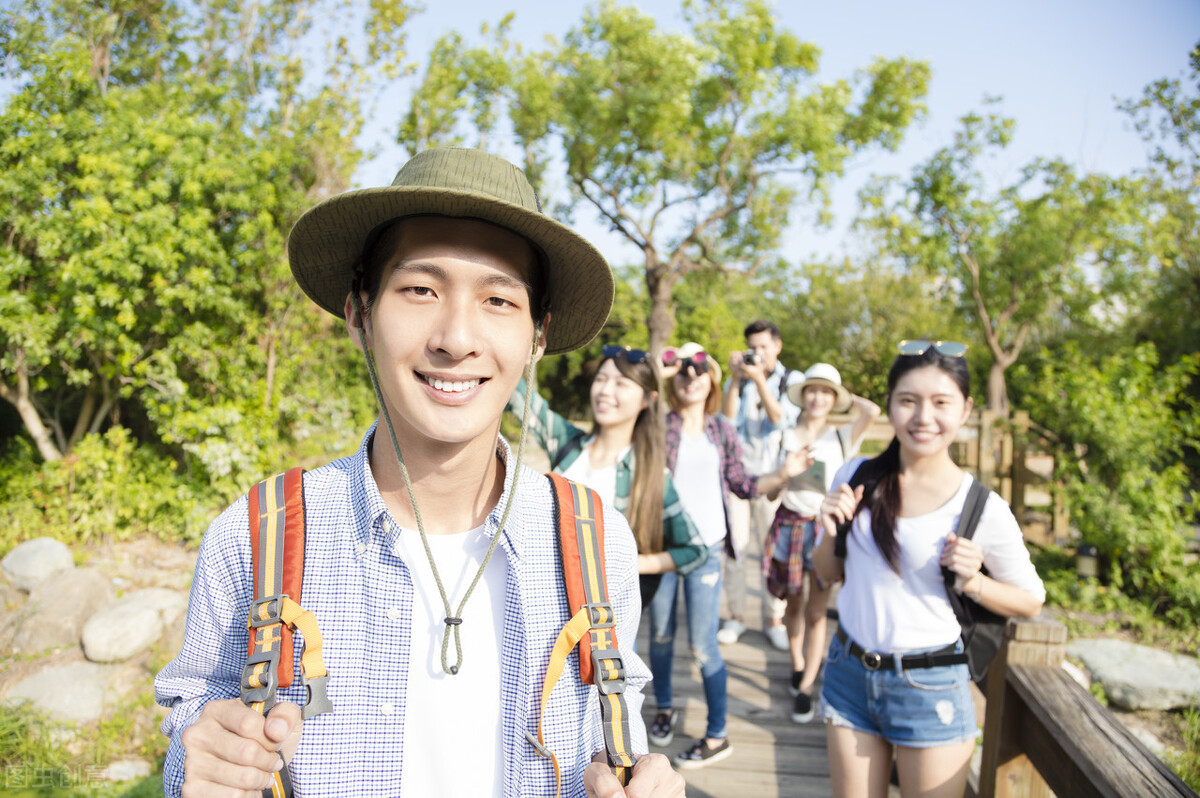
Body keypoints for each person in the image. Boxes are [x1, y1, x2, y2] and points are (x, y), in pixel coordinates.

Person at [154, 148, 684, 797]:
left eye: (498, 299)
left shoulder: (597, 540)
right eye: (419, 290)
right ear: (359, 314)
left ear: (538, 337)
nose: (456, 337)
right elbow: (195, 710)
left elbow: (614, 722)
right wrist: (198, 763)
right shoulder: (258, 534)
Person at [812, 340, 1045, 798]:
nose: (923, 417)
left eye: (941, 402)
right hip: (849, 671)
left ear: (965, 409)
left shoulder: (980, 507)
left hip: (931, 684)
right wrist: (828, 527)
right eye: (907, 401)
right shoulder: (856, 476)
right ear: (891, 406)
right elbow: (825, 572)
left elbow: (1031, 601)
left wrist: (974, 581)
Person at [652, 343, 806, 768]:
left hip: (706, 551)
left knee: (703, 646)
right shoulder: (657, 425)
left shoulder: (722, 429)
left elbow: (741, 482)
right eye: (683, 371)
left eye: (700, 370)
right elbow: (643, 388)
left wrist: (784, 473)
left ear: (713, 381)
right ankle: (664, 707)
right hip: (661, 548)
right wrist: (670, 370)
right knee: (660, 637)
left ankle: (717, 733)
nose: (691, 376)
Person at [505, 344, 708, 606]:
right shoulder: (568, 444)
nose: (605, 391)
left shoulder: (650, 474)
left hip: (605, 624)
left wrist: (628, 563)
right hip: (541, 601)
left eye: (622, 383)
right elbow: (518, 395)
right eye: (601, 380)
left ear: (649, 399)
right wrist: (521, 354)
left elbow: (694, 551)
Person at [760, 363, 880, 724]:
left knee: (817, 613)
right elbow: (768, 495)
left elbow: (872, 411)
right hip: (791, 526)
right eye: (812, 390)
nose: (817, 398)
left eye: (826, 392)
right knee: (793, 607)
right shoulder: (783, 437)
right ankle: (798, 665)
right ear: (802, 395)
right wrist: (787, 474)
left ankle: (807, 685)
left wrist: (842, 394)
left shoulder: (842, 437)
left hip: (825, 529)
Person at [718, 320, 803, 649]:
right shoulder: (742, 377)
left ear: (777, 346)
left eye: (764, 347)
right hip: (739, 480)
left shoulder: (791, 380)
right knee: (735, 549)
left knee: (773, 552)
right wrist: (738, 381)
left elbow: (780, 418)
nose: (758, 353)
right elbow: (726, 419)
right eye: (753, 347)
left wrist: (760, 382)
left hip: (774, 480)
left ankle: (773, 618)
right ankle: (736, 616)